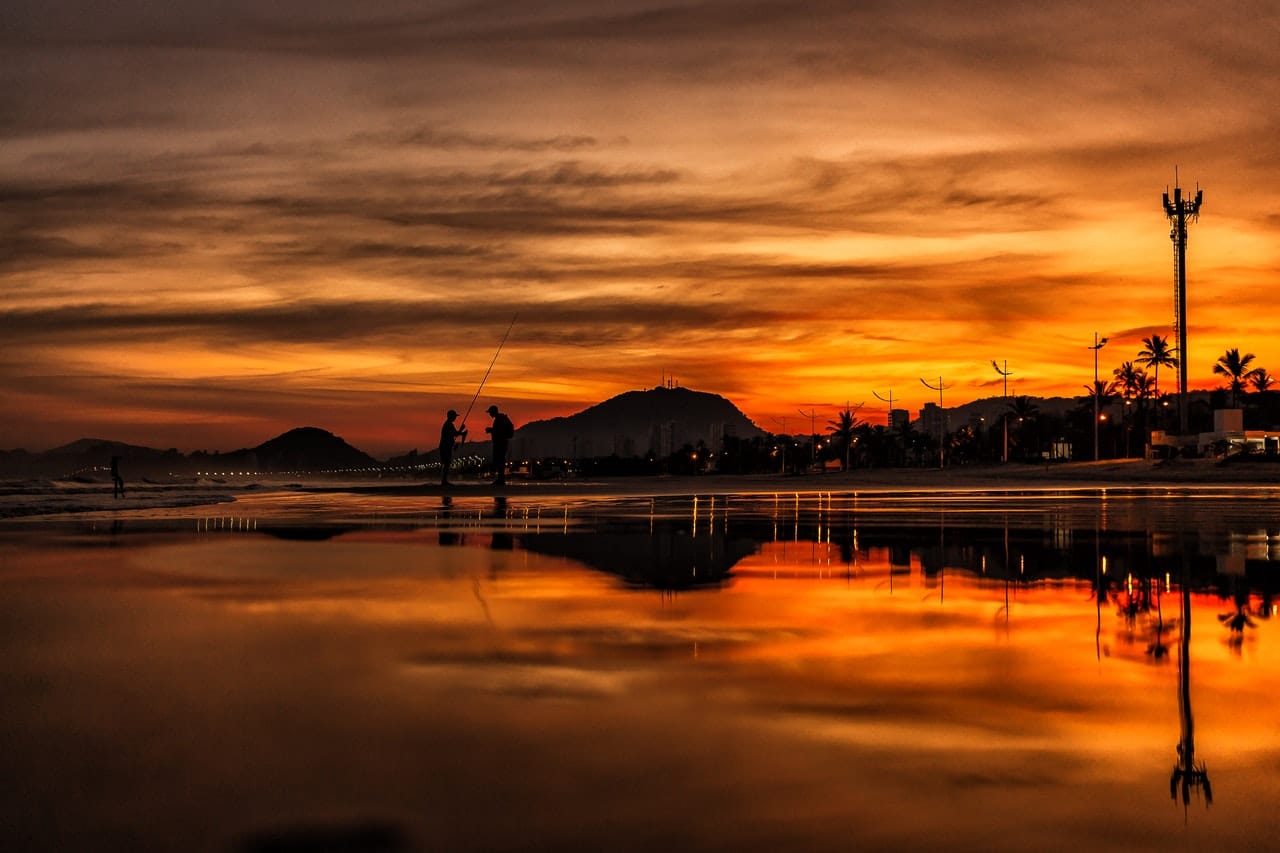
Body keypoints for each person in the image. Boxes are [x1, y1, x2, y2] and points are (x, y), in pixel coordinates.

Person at [484, 404, 515, 486]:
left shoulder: (499, 419)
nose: (489, 414)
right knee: (499, 460)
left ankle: (501, 479)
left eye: (490, 412)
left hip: (500, 443)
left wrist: (491, 430)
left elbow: (500, 431)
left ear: (493, 412)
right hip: (501, 442)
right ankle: (500, 478)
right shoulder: (500, 418)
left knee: (499, 460)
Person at [438, 410, 467, 486]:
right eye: (454, 416)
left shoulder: (448, 424)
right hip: (445, 447)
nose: (455, 418)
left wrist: (461, 431)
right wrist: (462, 429)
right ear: (450, 416)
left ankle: (444, 480)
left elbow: (454, 435)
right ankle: (444, 481)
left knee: (446, 463)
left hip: (446, 446)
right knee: (446, 463)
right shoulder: (448, 424)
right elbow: (455, 434)